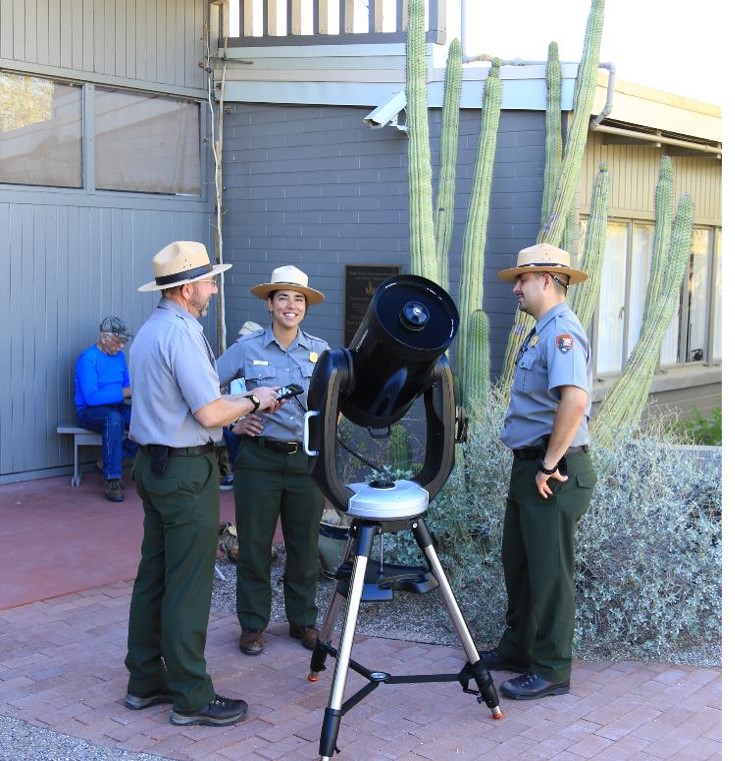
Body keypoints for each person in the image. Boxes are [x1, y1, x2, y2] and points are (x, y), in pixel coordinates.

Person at [123, 241, 281, 727]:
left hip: (152, 466)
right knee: (188, 585)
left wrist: (228, 414)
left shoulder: (150, 331)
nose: (213, 288)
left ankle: (145, 681)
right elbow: (209, 410)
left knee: (154, 576)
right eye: (209, 281)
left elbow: (184, 405)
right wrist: (254, 401)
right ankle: (191, 695)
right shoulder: (183, 334)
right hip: (187, 473)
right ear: (187, 288)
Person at [483, 243, 597, 700]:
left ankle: (551, 670)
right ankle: (518, 648)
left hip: (554, 473)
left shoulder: (561, 333)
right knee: (521, 565)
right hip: (531, 469)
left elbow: (575, 400)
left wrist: (548, 464)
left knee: (549, 574)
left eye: (522, 279)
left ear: (546, 280)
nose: (515, 287)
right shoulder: (541, 332)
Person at [217, 265, 329, 657]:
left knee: (304, 547)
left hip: (305, 464)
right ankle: (252, 625)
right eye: (283, 297)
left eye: (298, 299)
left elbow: (338, 404)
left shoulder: (321, 351)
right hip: (259, 461)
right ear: (270, 304)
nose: (291, 305)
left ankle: (303, 621)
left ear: (305, 307)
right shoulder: (247, 349)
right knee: (254, 546)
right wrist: (233, 422)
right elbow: (207, 389)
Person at [75, 316, 139, 502]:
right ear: (103, 338)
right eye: (118, 342)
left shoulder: (119, 357)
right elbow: (91, 397)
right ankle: (112, 479)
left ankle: (108, 461)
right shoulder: (88, 359)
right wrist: (123, 392)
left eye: (123, 342)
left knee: (144, 418)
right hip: (89, 411)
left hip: (115, 407)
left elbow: (127, 387)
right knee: (113, 418)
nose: (121, 347)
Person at [219, 321, 262, 491]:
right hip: (236, 415)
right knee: (230, 434)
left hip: (255, 416)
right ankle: (235, 474)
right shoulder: (236, 359)